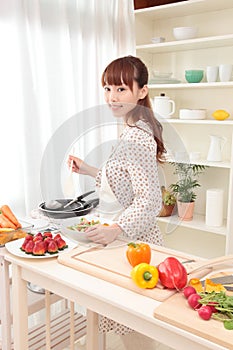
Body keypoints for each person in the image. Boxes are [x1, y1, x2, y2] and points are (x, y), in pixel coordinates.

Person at [68, 55, 166, 349]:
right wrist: (88, 169)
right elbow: (125, 184)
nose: (112, 97)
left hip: (133, 244)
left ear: (142, 91)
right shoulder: (135, 129)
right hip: (129, 241)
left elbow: (149, 201)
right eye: (108, 89)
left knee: (133, 330)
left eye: (121, 89)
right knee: (127, 326)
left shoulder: (137, 137)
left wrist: (116, 229)